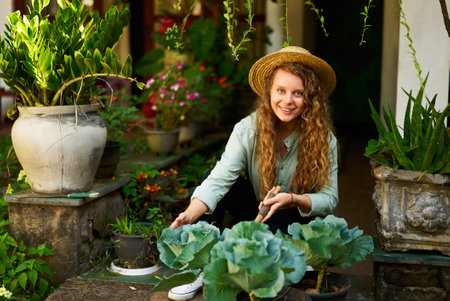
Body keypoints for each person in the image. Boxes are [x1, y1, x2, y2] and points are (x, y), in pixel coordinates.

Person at [170, 46, 338, 235]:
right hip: (257, 210)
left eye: (298, 93)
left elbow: (329, 198)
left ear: (310, 98)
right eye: (281, 91)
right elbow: (219, 179)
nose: (288, 100)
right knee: (212, 175)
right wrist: (189, 215)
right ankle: (206, 242)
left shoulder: (324, 137)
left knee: (276, 234)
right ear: (270, 92)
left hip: (298, 218)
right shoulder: (248, 129)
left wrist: (293, 199)